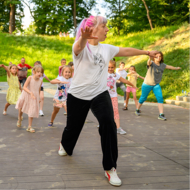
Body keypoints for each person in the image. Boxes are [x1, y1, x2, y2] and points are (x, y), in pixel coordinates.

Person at [58, 15, 158, 187]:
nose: (107, 29)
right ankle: (65, 145)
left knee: (108, 124)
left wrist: (146, 52)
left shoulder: (107, 49)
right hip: (78, 95)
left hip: (99, 93)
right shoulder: (81, 48)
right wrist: (83, 36)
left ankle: (110, 167)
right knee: (73, 127)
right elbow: (78, 46)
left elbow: (125, 51)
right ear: (93, 29)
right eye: (104, 26)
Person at [136, 51, 181, 120]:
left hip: (156, 85)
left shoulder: (162, 65)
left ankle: (161, 114)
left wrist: (176, 68)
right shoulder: (151, 64)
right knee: (143, 98)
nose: (159, 58)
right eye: (157, 56)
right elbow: (148, 62)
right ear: (154, 57)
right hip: (147, 84)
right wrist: (150, 57)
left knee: (160, 98)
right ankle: (137, 109)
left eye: (160, 56)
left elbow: (169, 66)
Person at [106, 60, 138, 135]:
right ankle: (103, 125)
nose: (110, 69)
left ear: (114, 67)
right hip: (104, 96)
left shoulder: (116, 75)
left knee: (115, 111)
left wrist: (132, 85)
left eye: (112, 67)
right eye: (109, 67)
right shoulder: (103, 74)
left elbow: (124, 80)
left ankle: (118, 128)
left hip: (113, 96)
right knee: (105, 111)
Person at [15, 65, 43, 133]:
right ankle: (19, 118)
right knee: (21, 108)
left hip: (34, 96)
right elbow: (24, 87)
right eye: (38, 72)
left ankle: (29, 126)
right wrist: (30, 93)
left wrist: (38, 97)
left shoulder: (41, 81)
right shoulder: (30, 78)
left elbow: (38, 89)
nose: (39, 73)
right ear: (33, 72)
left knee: (32, 110)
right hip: (26, 94)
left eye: (41, 72)